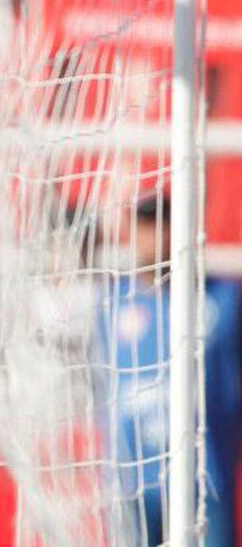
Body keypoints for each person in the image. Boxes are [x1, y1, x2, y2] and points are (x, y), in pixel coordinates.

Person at [103, 196, 241, 546]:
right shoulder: (109, 301)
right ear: (132, 232)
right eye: (148, 225)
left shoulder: (223, 297)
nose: (158, 236)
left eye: (167, 223)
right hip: (134, 482)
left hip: (206, 480)